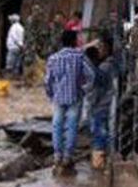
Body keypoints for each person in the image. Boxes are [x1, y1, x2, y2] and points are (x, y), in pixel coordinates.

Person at [44, 29, 95, 174]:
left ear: (61, 41)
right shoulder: (80, 57)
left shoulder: (53, 58)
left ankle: (57, 156)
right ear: (74, 41)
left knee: (57, 126)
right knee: (72, 127)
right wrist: (84, 90)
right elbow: (91, 76)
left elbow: (48, 81)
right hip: (75, 97)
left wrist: (51, 94)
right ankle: (67, 157)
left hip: (58, 98)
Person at [86, 38, 116, 171]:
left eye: (101, 47)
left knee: (99, 134)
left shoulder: (104, 67)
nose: (98, 50)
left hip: (100, 106)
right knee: (104, 133)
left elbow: (97, 90)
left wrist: (91, 105)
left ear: (107, 49)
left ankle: (99, 164)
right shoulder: (111, 64)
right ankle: (106, 161)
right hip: (106, 106)